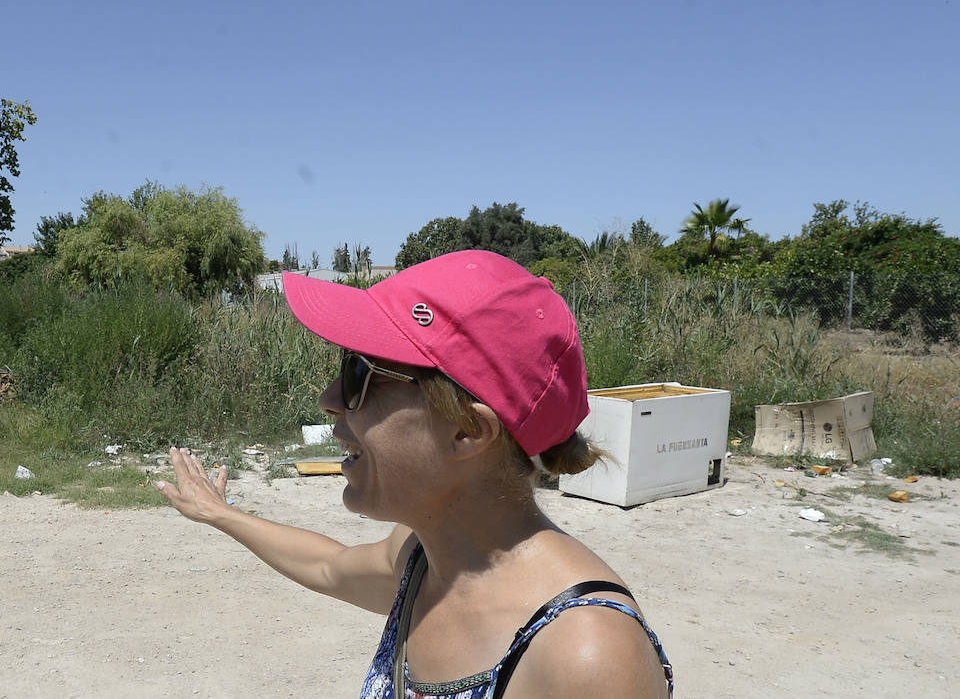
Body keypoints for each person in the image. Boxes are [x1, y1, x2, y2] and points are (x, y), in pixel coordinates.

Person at [156, 250, 674, 698]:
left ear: (466, 430)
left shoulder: (585, 654)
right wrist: (220, 514)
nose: (329, 400)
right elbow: (330, 567)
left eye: (360, 375)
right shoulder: (424, 558)